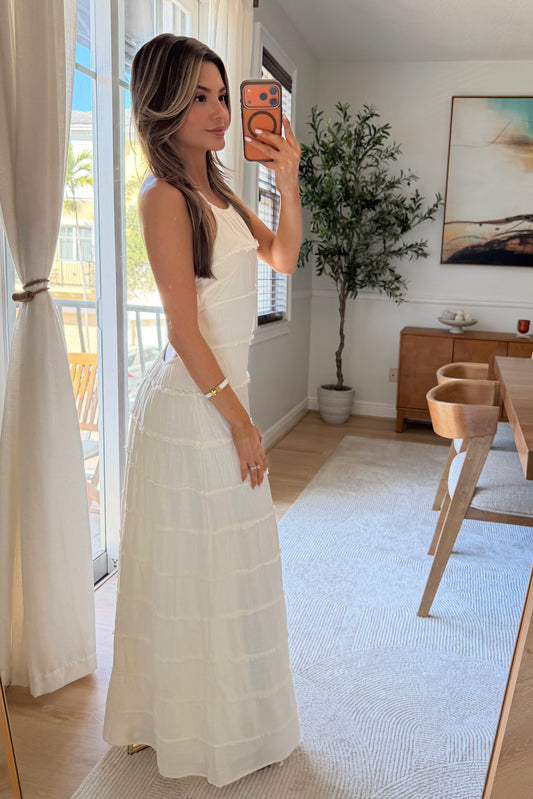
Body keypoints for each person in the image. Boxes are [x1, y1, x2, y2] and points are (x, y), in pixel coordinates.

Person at [103, 34, 302, 787]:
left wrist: (287, 180)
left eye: (222, 96)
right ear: (161, 105)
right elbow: (184, 331)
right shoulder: (164, 197)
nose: (220, 111)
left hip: (221, 400)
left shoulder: (223, 193)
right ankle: (166, 721)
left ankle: (229, 719)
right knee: (188, 565)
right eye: (199, 97)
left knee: (229, 563)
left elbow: (283, 258)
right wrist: (244, 425)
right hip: (192, 409)